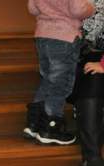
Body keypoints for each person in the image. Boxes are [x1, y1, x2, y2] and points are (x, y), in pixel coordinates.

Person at [24, 0, 95, 145]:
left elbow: (32, 8)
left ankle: (34, 123)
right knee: (60, 85)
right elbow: (78, 9)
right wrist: (91, 8)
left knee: (47, 79)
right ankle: (51, 128)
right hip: (64, 37)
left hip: (42, 35)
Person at [73, 1, 104, 166]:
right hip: (77, 56)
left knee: (95, 74)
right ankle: (92, 159)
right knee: (92, 74)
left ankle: (91, 160)